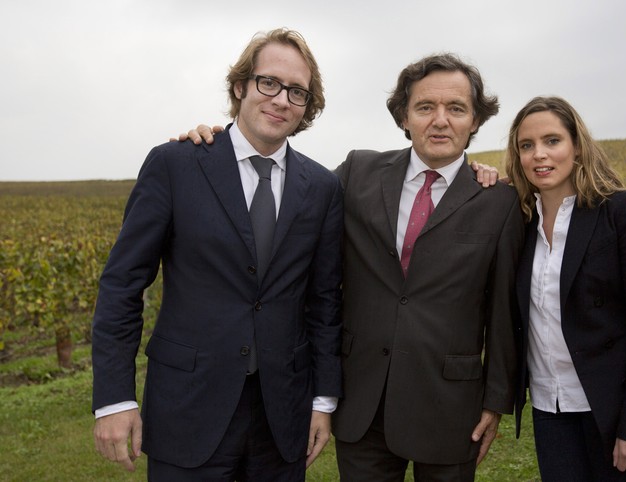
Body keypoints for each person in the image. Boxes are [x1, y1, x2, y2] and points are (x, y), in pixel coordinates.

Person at [183, 52, 523, 481]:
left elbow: (503, 312)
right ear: (404, 116)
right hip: (362, 403)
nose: (440, 120)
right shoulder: (358, 173)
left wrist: (495, 401)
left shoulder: (499, 201)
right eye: (425, 107)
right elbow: (291, 192)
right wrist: (224, 146)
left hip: (451, 406)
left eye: (456, 109)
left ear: (475, 120)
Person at [91, 28, 343, 480]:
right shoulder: (176, 164)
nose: (281, 99)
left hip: (282, 417)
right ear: (240, 86)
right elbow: (122, 284)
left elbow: (324, 302)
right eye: (269, 82)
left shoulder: (322, 188)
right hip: (188, 405)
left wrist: (323, 401)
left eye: (297, 92)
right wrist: (115, 398)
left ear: (307, 107)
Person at [505, 96, 626, 481]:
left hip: (613, 407)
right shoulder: (519, 220)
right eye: (526, 145)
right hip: (551, 408)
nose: (539, 155)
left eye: (552, 140)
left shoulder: (620, 211)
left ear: (577, 146)